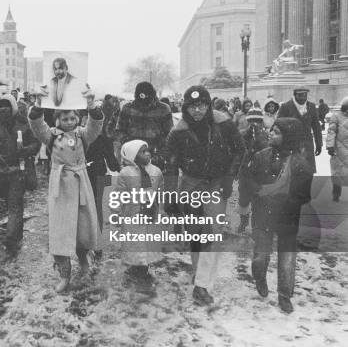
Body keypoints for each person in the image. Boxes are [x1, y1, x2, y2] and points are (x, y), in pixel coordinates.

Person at [165, 85, 244, 305]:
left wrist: (229, 177)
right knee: (196, 233)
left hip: (216, 185)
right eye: (192, 106)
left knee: (212, 234)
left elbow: (240, 149)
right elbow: (170, 166)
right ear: (185, 107)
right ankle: (199, 271)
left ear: (209, 105)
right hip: (190, 184)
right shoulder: (177, 132)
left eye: (201, 105)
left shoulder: (224, 123)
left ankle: (201, 285)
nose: (197, 110)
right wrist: (171, 196)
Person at [28, 91, 103, 293]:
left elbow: (96, 126)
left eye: (72, 118)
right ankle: (64, 274)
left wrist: (92, 105)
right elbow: (36, 125)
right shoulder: (51, 135)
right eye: (64, 118)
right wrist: (38, 104)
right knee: (61, 231)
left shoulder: (82, 135)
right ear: (58, 119)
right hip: (60, 187)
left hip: (80, 185)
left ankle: (84, 259)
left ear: (77, 119)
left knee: (82, 227)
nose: (69, 122)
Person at [239, 118, 313, 313]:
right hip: (263, 215)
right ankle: (259, 276)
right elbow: (247, 179)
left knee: (287, 258)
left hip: (287, 218)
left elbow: (304, 196)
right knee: (261, 255)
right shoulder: (261, 156)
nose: (271, 133)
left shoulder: (300, 165)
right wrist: (257, 192)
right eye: (271, 130)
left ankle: (284, 294)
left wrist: (282, 199)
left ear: (289, 137)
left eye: (277, 132)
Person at [0, 94, 40, 253]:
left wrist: (26, 150)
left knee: (14, 204)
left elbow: (36, 143)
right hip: (2, 172)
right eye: (1, 106)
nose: (3, 109)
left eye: (7, 105)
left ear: (13, 107)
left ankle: (11, 238)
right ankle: (17, 233)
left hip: (19, 170)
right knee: (9, 202)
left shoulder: (24, 124)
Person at [111, 140, 163, 282]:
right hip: (132, 214)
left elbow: (160, 191)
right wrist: (115, 212)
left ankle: (143, 267)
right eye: (142, 151)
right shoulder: (126, 173)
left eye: (147, 150)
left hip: (150, 213)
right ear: (132, 155)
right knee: (134, 242)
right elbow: (119, 194)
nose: (147, 153)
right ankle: (137, 267)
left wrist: (161, 209)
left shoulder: (156, 171)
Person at [81, 109, 120, 260]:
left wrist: (119, 168)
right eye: (84, 119)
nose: (85, 123)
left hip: (97, 175)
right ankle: (86, 240)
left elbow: (110, 158)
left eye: (87, 119)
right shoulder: (77, 136)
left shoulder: (102, 138)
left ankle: (97, 243)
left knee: (96, 209)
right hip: (82, 175)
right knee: (85, 208)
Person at [116, 82, 173, 172]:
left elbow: (169, 136)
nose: (143, 105)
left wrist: (159, 156)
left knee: (154, 184)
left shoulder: (163, 109)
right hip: (132, 159)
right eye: (140, 102)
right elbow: (120, 131)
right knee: (132, 184)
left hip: (156, 159)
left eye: (146, 102)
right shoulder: (127, 108)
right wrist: (131, 149)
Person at [236, 108, 269, 232]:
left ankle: (257, 225)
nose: (254, 124)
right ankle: (243, 222)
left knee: (259, 199)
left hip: (260, 174)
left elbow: (267, 152)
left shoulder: (265, 135)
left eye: (257, 121)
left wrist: (260, 138)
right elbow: (239, 154)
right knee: (243, 198)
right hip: (245, 173)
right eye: (251, 121)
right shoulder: (242, 135)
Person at [277, 88, 322, 172]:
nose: (303, 98)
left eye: (305, 95)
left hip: (307, 144)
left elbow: (316, 127)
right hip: (291, 146)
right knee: (294, 174)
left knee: (308, 173)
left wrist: (319, 143)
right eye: (300, 95)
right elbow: (279, 125)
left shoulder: (311, 106)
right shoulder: (286, 106)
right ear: (294, 95)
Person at [326, 97, 348, 202]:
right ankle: (336, 193)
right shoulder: (336, 117)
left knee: (338, 172)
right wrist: (330, 146)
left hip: (342, 148)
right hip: (339, 149)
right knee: (337, 172)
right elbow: (331, 132)